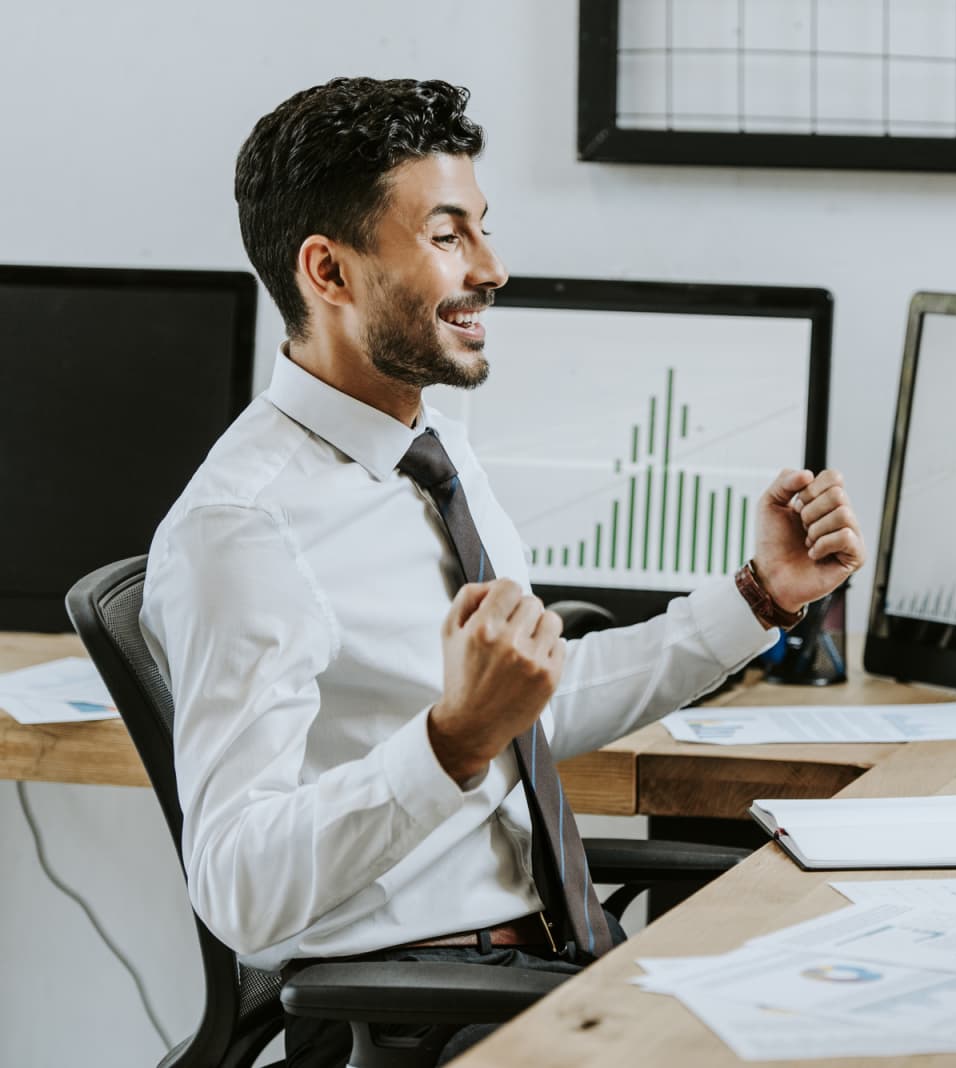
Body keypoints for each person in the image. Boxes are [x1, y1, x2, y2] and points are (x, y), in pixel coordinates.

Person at [140, 77, 865, 1067]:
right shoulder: (244, 528)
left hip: (550, 965)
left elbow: (538, 711)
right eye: (448, 236)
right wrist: (453, 741)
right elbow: (237, 890)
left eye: (482, 229)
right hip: (432, 1008)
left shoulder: (430, 439)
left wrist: (758, 598)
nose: (494, 267)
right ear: (330, 271)